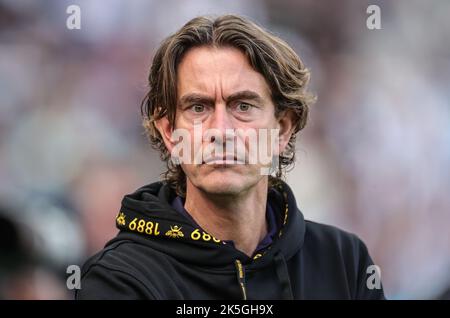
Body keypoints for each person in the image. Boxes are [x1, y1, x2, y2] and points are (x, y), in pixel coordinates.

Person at [76, 14, 385, 300]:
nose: (221, 131)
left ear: (282, 129)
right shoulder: (118, 281)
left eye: (243, 106)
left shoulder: (344, 263)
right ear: (170, 132)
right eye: (198, 108)